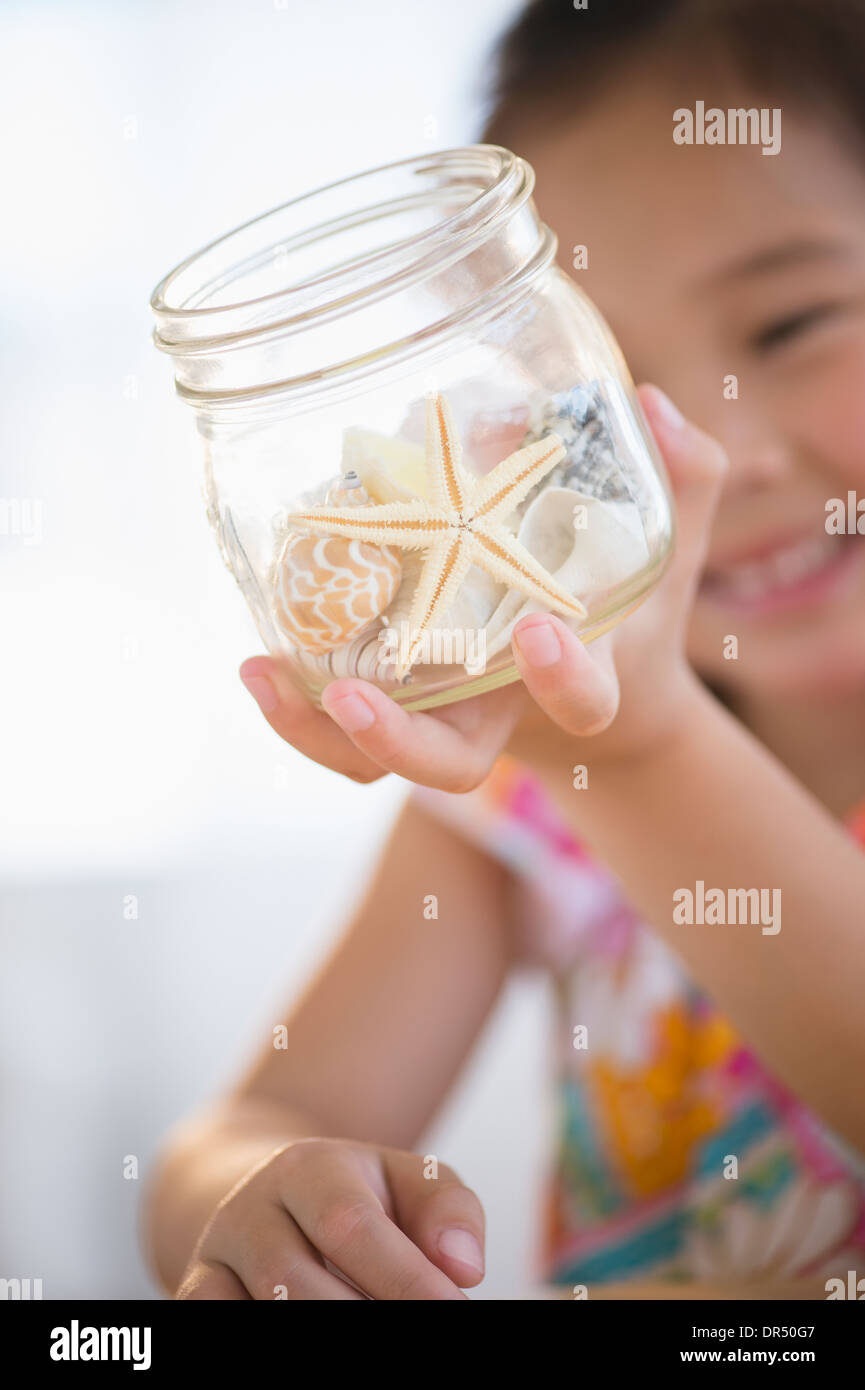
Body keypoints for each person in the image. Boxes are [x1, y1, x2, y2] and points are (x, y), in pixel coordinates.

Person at [146, 0, 865, 1298]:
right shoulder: (521, 785)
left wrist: (639, 743)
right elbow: (233, 1135)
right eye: (599, 392)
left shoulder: (592, 754)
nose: (714, 447)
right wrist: (269, 1207)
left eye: (789, 324)